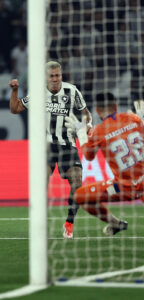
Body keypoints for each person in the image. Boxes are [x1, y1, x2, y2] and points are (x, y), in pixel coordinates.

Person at [65, 93, 144, 244]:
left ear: (97, 110)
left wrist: (81, 133)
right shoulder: (133, 119)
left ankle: (116, 223)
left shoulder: (99, 131)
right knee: (142, 178)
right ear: (116, 106)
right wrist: (142, 123)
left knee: (80, 196)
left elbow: (89, 156)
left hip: (126, 188)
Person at [9, 61, 92, 239]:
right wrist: (15, 90)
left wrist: (87, 125)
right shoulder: (39, 93)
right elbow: (15, 109)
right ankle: (39, 224)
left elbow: (86, 112)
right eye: (52, 76)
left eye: (58, 76)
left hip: (68, 144)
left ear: (61, 75)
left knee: (77, 184)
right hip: (46, 145)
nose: (55, 79)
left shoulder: (72, 91)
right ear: (46, 77)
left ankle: (69, 222)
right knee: (41, 184)